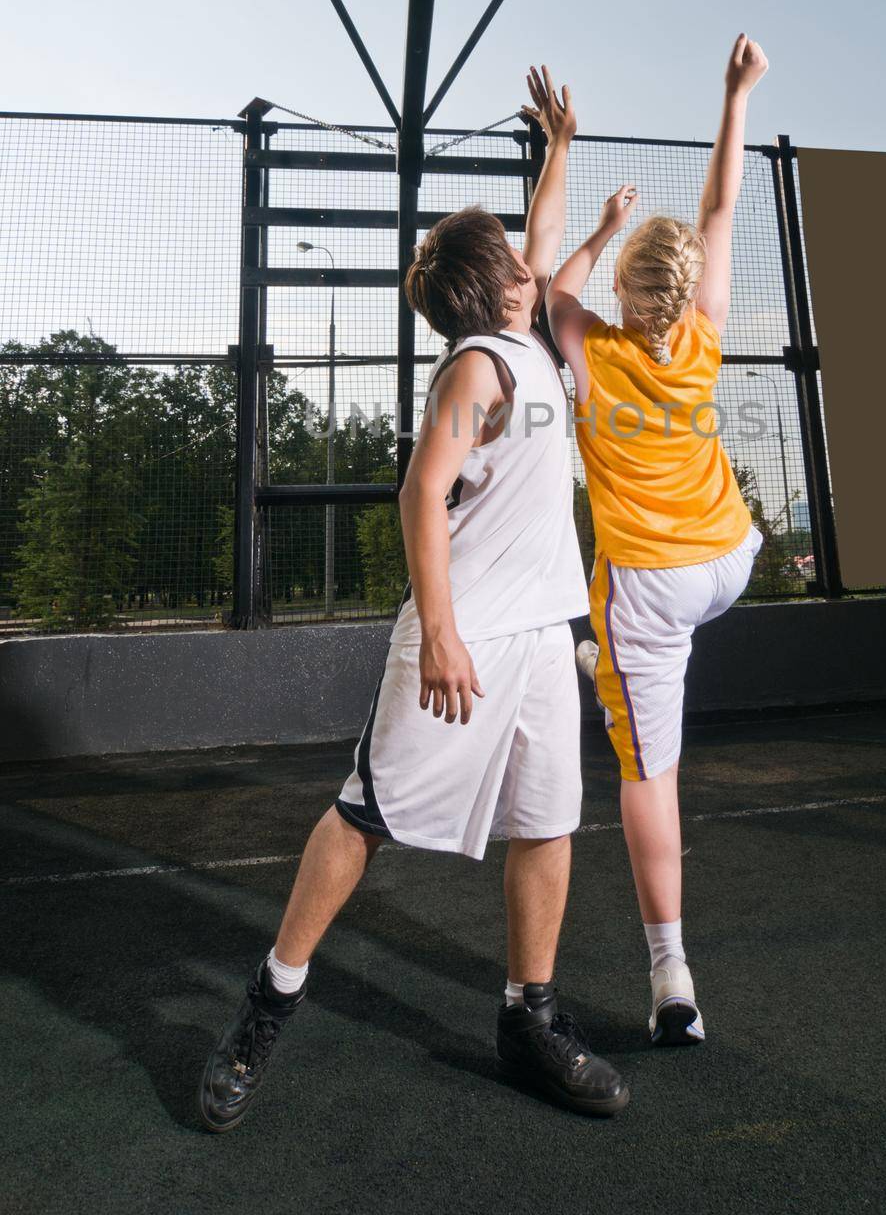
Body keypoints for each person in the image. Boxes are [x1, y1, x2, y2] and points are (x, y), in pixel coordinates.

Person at [198, 66, 630, 1130]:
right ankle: (266, 1006)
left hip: (536, 637)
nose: (534, 262)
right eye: (517, 262)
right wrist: (437, 632)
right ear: (499, 288)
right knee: (363, 814)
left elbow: (549, 235)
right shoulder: (479, 369)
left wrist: (563, 150)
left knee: (547, 823)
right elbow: (419, 490)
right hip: (464, 638)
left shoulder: (525, 343)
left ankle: (527, 1017)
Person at [545, 33, 769, 1045]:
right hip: (733, 556)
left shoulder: (589, 354)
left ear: (627, 298)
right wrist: (735, 95)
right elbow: (720, 209)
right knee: (636, 668)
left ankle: (671, 971)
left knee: (646, 773)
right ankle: (611, 666)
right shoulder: (704, 331)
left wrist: (593, 219)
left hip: (652, 589)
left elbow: (547, 280)